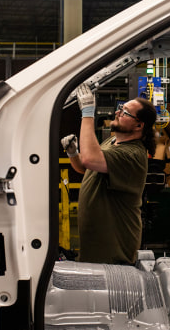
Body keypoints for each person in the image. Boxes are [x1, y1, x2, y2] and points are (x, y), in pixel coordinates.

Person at [61, 84, 157, 265]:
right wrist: (73, 154)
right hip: (95, 244)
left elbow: (90, 160)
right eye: (121, 109)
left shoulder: (133, 154)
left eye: (126, 113)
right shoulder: (112, 141)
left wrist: (88, 113)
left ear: (139, 125)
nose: (118, 113)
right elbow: (86, 167)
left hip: (113, 250)